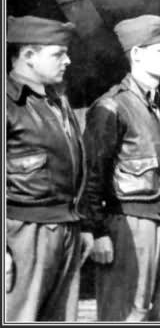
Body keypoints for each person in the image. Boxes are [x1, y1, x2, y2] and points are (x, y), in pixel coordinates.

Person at [81, 15, 160, 320]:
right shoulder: (111, 107)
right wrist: (95, 231)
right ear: (136, 54)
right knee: (126, 313)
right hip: (127, 225)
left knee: (154, 314)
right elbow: (91, 174)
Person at [6, 16, 92, 321]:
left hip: (66, 230)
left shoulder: (57, 102)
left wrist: (83, 226)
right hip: (23, 236)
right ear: (28, 56)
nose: (67, 61)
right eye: (58, 54)